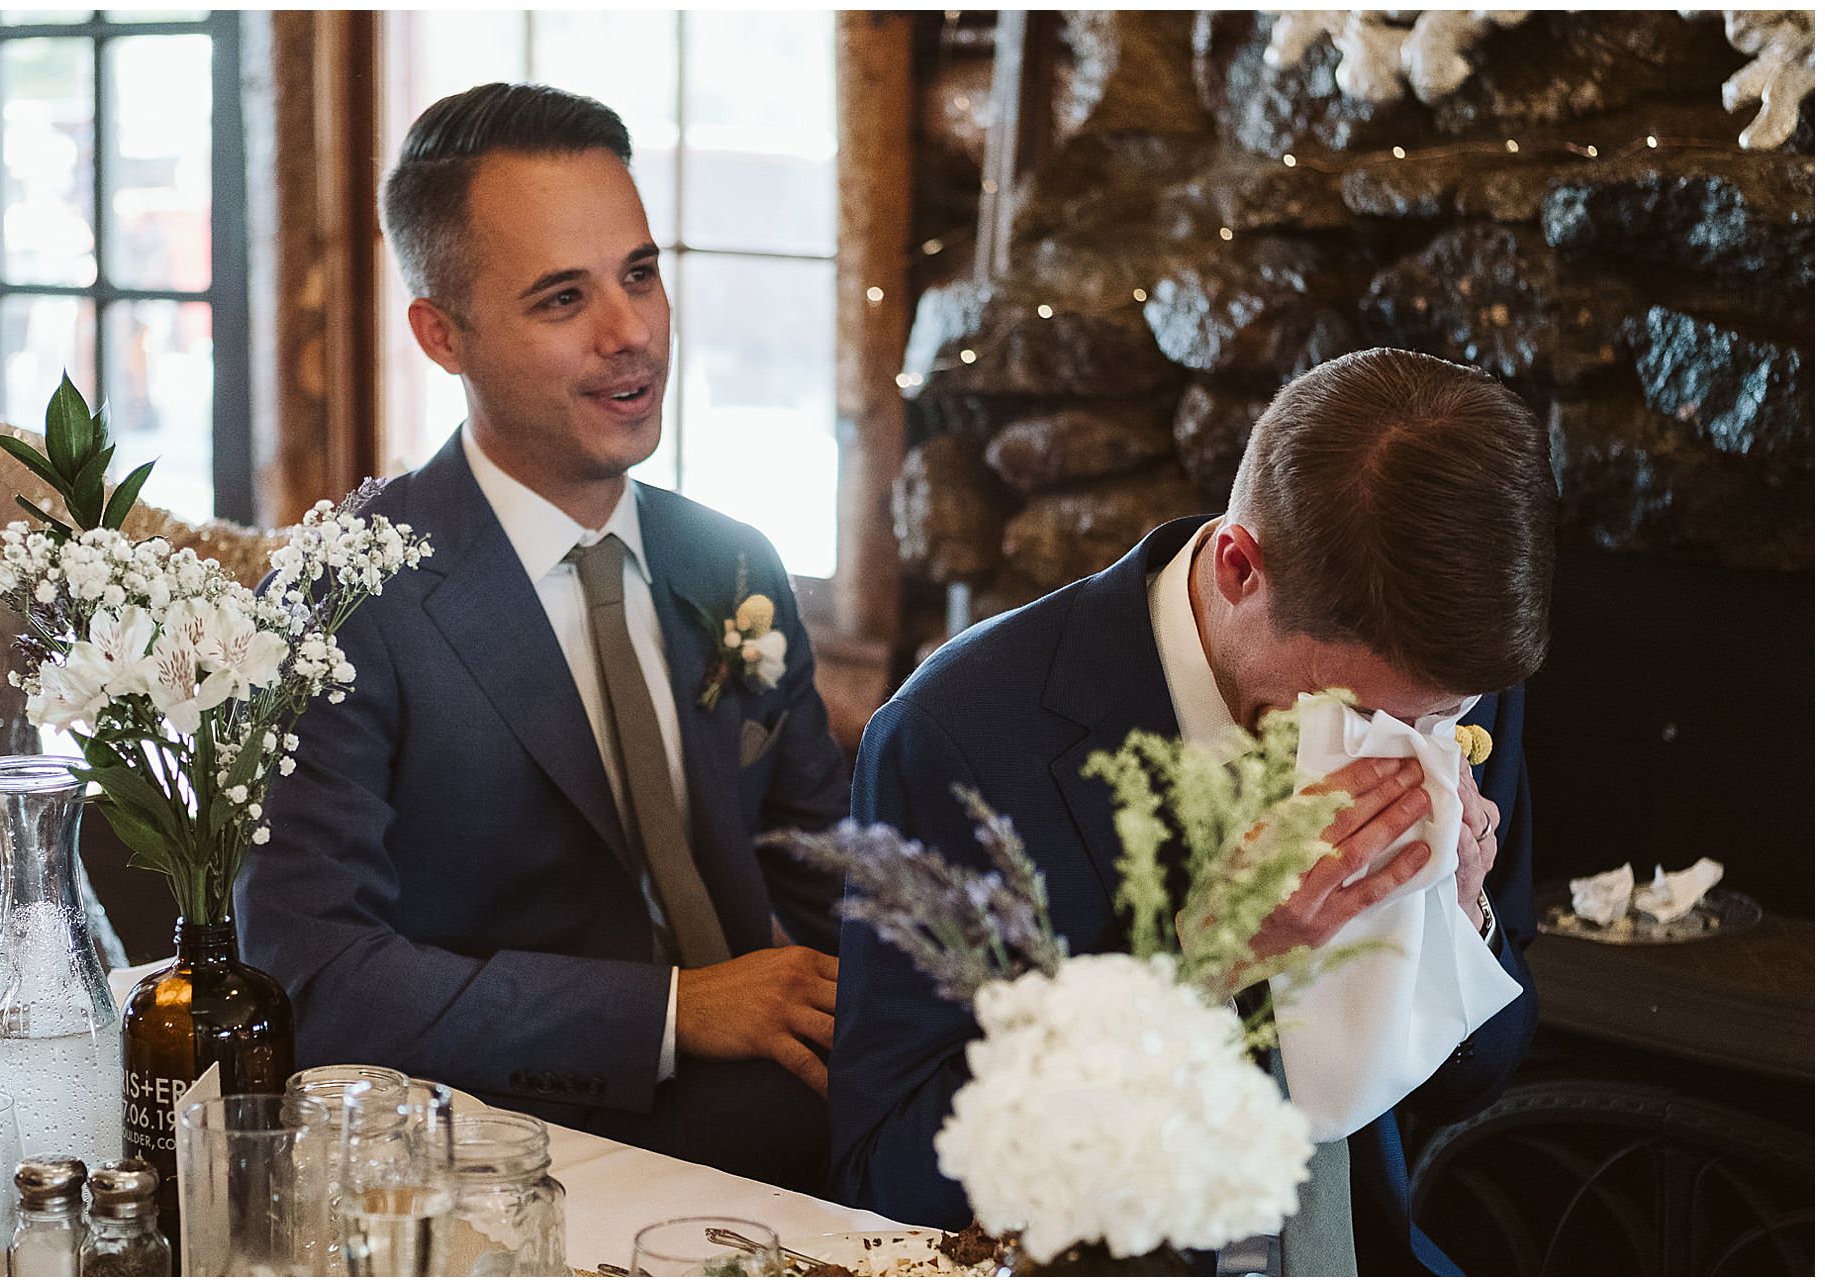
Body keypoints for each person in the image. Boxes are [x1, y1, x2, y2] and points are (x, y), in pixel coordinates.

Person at [237, 83, 850, 1190]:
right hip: (513, 1148)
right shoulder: (333, 603)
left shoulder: (733, 560)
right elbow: (313, 977)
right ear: (442, 334)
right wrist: (672, 1012)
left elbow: (836, 878)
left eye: (641, 274)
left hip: (791, 1107)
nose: (632, 336)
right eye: (563, 299)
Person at [830, 348, 1554, 1272]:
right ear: (1240, 566)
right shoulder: (958, 739)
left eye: (1440, 719)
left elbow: (1480, 1073)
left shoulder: (1446, 678)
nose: (1405, 747)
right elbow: (885, 1181)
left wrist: (1466, 922)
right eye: (1362, 715)